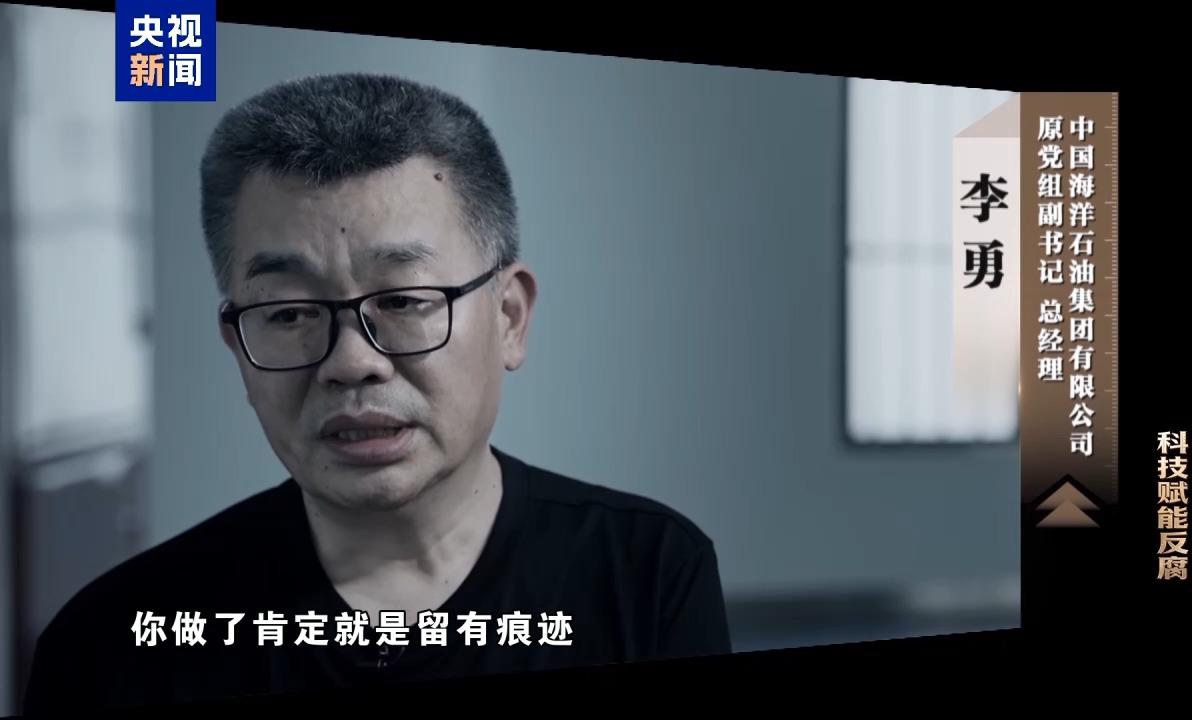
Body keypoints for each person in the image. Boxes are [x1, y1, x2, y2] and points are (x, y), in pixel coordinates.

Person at [22, 73, 731, 712]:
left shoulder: (644, 576)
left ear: (509, 319)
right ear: (237, 345)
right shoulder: (110, 646)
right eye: (289, 313)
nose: (352, 362)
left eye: (403, 300)